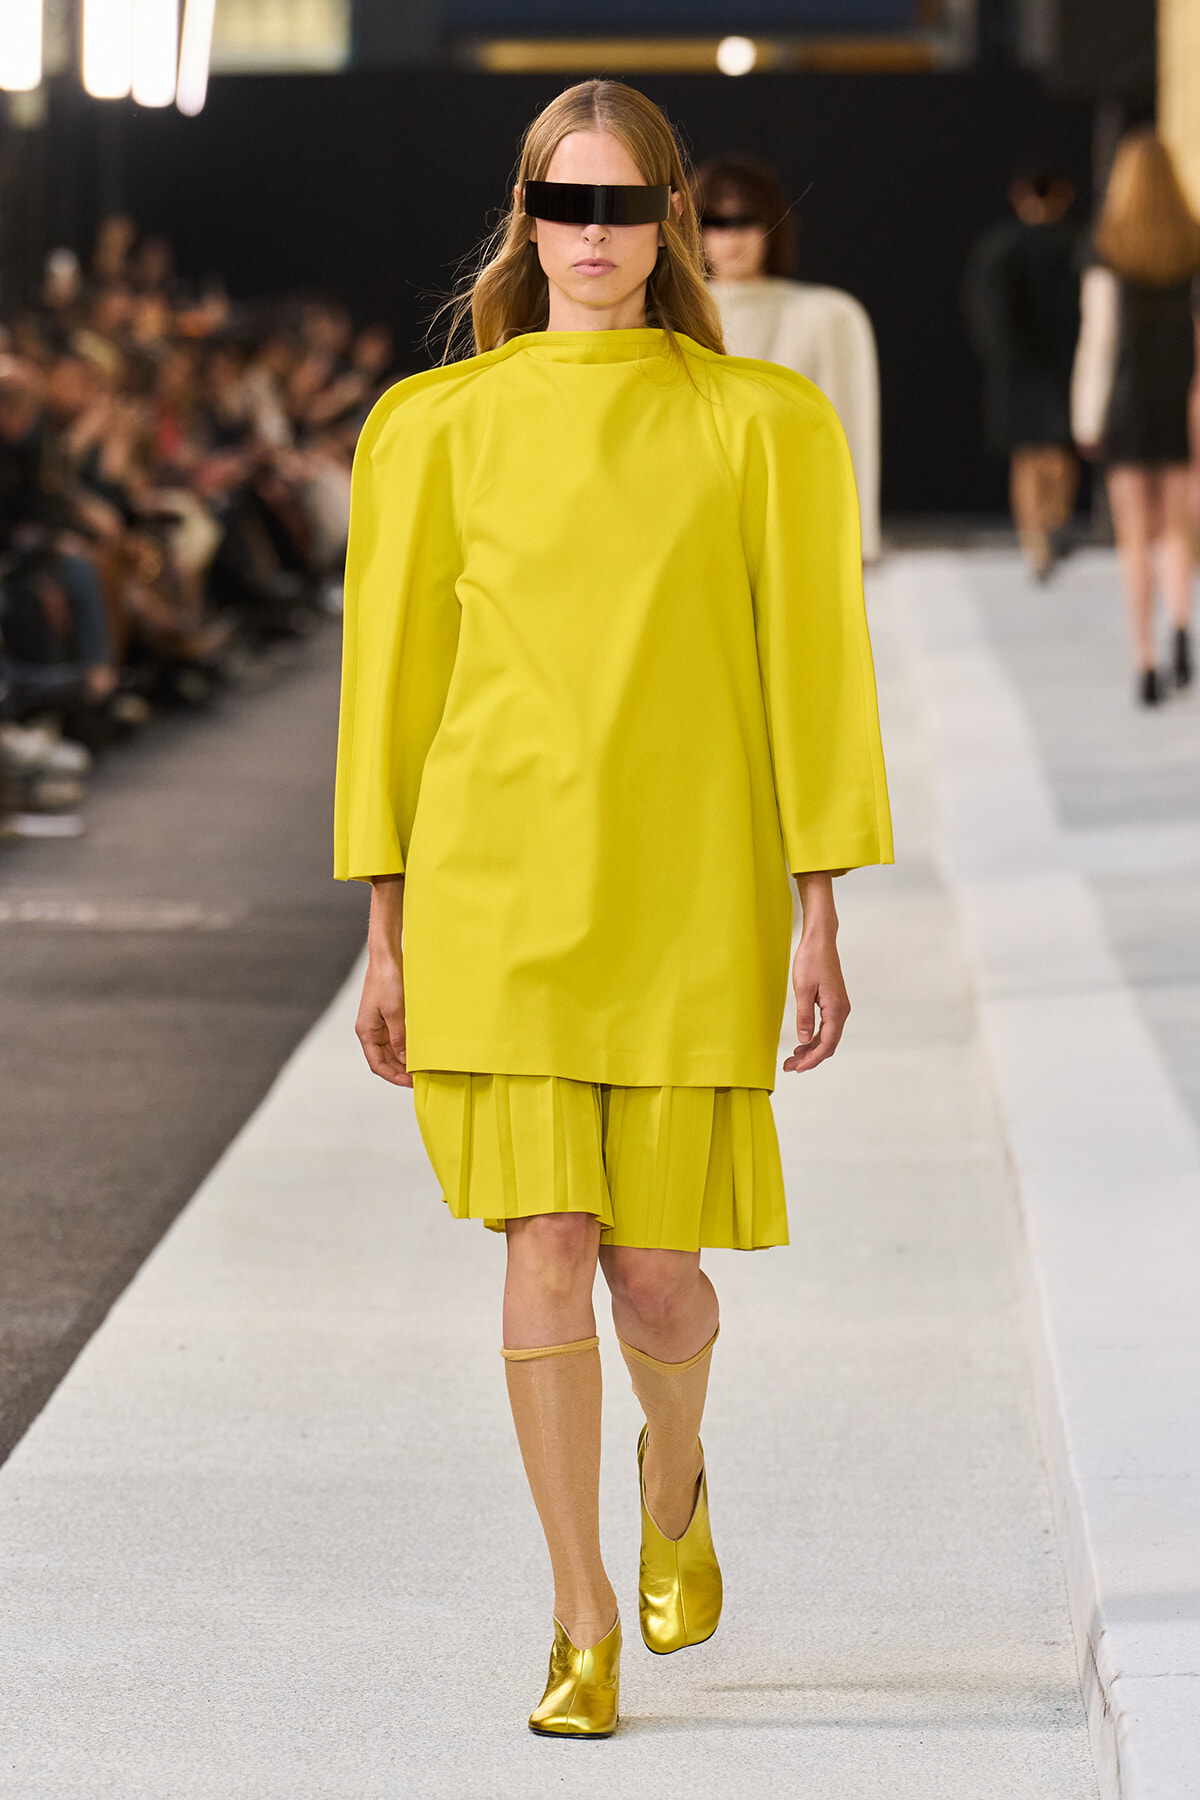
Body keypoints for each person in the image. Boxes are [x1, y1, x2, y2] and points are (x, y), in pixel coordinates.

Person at [335, 79, 892, 1739]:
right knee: (546, 1246)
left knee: (658, 1276)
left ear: (669, 220)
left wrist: (819, 905)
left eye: (622, 206)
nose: (592, 238)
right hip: (498, 893)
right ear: (527, 219)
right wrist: (385, 925)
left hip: (685, 889)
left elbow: (816, 673)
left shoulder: (764, 424)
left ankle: (676, 1474)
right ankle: (580, 1620)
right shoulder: (433, 427)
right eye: (562, 207)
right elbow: (391, 694)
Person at [696, 156, 881, 563]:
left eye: (746, 221)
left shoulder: (829, 317)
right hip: (694, 533)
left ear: (772, 226)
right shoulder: (668, 318)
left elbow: (848, 434)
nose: (733, 238)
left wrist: (856, 540)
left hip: (794, 533)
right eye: (717, 222)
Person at [1071, 128, 1200, 706]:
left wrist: (1086, 418)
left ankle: (1144, 659)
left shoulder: (1108, 246)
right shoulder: (1193, 243)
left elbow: (1098, 342)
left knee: (1133, 536)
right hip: (1180, 399)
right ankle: (1179, 621)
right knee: (1176, 526)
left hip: (1126, 404)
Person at [963, 163, 1081, 580]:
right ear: (1063, 194)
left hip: (1017, 370)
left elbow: (986, 315)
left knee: (1028, 458)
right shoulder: (1077, 246)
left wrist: (1002, 356)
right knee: (1059, 454)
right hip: (1065, 367)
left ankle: (1035, 543)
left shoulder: (998, 247)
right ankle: (1052, 527)